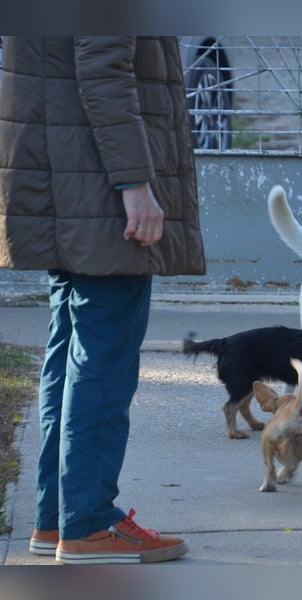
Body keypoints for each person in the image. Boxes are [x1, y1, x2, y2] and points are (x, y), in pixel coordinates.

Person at [0, 36, 206, 564]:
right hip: (100, 189)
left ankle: (57, 520)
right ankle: (89, 524)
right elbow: (103, 71)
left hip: (66, 181)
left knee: (70, 355)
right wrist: (134, 181)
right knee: (102, 363)